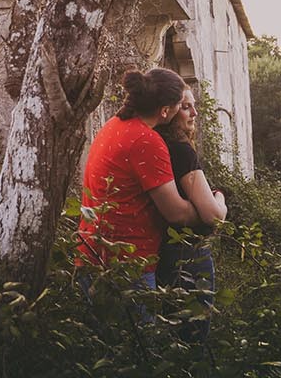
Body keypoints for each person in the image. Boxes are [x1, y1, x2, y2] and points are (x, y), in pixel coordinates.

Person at [77, 67, 201, 291]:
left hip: (91, 255)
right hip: (126, 266)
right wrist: (208, 208)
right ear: (165, 111)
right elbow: (177, 212)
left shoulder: (113, 126)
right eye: (179, 105)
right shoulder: (147, 141)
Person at [154, 86, 227, 342]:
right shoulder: (181, 150)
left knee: (171, 334)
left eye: (193, 105)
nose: (194, 113)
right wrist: (220, 198)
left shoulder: (156, 144)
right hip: (190, 254)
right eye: (185, 107)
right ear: (169, 111)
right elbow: (214, 217)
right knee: (193, 335)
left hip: (163, 252)